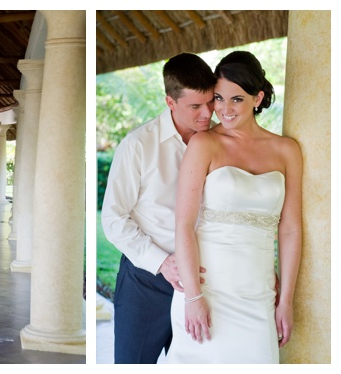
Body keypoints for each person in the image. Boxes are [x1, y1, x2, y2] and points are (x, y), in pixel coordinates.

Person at [163, 51, 302, 364]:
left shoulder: (286, 150)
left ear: (258, 97)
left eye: (236, 99)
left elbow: (290, 228)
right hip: (209, 290)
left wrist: (286, 301)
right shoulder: (204, 144)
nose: (224, 110)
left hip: (259, 293)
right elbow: (183, 224)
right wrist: (193, 296)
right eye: (218, 98)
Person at [101, 53, 216, 364]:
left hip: (207, 282)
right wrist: (163, 262)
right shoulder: (138, 145)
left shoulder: (222, 142)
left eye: (210, 102)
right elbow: (113, 218)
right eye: (195, 106)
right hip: (146, 282)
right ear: (170, 102)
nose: (207, 114)